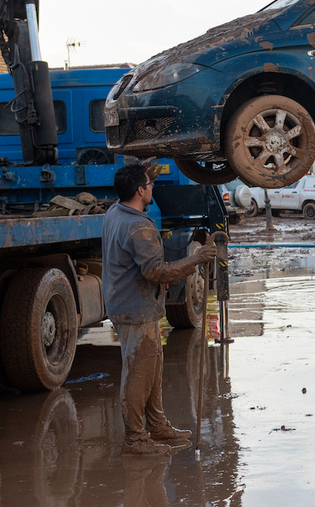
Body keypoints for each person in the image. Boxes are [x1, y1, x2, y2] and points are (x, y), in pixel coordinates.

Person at [103, 162, 221, 455]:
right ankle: (135, 439)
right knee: (138, 373)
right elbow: (156, 272)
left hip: (130, 303)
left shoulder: (114, 212)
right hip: (136, 308)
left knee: (152, 368)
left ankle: (157, 426)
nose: (153, 187)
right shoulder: (139, 227)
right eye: (149, 184)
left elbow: (137, 190)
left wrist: (144, 178)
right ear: (140, 191)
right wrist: (197, 259)